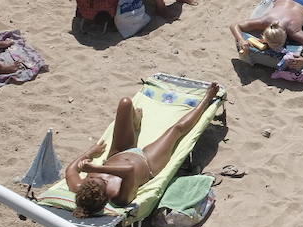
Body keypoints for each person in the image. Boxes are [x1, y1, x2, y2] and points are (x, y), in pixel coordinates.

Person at [67, 83, 223, 216]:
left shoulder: (80, 187)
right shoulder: (119, 197)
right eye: (100, 182)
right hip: (147, 161)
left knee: (125, 103)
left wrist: (89, 153)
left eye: (92, 179)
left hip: (118, 153)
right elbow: (129, 170)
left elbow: (70, 171)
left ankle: (135, 123)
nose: (100, 178)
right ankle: (207, 100)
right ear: (104, 197)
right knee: (176, 130)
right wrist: (95, 167)